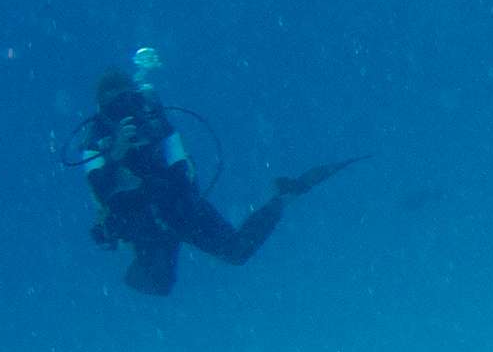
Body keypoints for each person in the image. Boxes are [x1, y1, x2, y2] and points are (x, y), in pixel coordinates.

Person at [75, 59, 356, 297]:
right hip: (141, 222)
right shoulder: (95, 140)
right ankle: (280, 199)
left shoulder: (157, 125)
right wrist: (115, 155)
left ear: (137, 99)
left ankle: (281, 197)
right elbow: (99, 189)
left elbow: (183, 172)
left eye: (128, 100)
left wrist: (165, 190)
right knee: (156, 285)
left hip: (175, 209)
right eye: (114, 106)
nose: (124, 111)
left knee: (236, 252)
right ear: (102, 111)